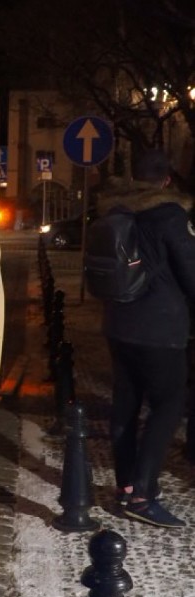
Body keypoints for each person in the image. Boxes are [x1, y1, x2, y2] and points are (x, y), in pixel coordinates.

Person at [100, 148, 195, 528]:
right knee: (169, 404)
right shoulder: (170, 215)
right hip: (159, 328)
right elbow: (191, 273)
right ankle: (143, 494)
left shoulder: (115, 210)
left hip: (118, 323)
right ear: (167, 179)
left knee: (125, 402)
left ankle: (125, 486)